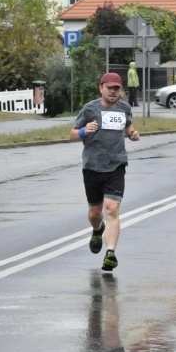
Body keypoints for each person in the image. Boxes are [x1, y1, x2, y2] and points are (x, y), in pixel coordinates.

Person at [70, 72, 140, 271]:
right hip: (92, 166)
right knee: (95, 213)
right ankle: (97, 229)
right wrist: (83, 131)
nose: (113, 92)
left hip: (116, 164)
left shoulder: (124, 108)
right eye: (109, 88)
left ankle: (110, 253)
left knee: (111, 209)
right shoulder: (90, 109)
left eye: (116, 88)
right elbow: (72, 134)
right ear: (101, 88)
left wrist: (132, 134)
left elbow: (128, 128)